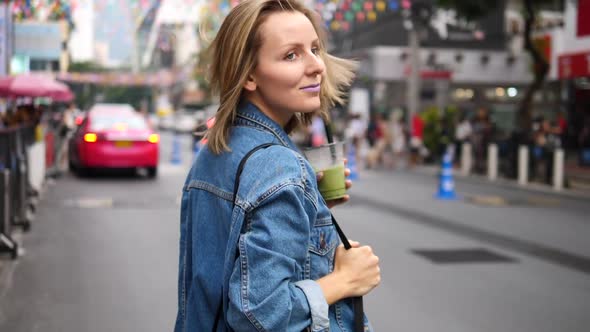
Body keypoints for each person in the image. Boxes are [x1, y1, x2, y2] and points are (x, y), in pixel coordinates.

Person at [174, 1, 381, 331]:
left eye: (315, 49)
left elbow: (229, 247)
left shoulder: (217, 148)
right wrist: (344, 280)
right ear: (250, 75)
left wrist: (309, 205)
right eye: (291, 55)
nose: (317, 66)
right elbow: (259, 313)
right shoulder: (281, 169)